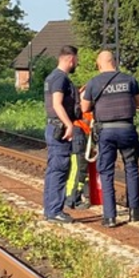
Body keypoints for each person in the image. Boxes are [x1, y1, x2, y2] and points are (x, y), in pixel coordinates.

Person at [82, 50, 139, 227]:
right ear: (115, 62)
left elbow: (85, 107)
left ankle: (110, 216)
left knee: (106, 172)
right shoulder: (129, 80)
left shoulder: (94, 82)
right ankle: (135, 210)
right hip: (127, 129)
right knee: (131, 167)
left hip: (106, 132)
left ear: (99, 64)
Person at [43, 46, 79, 223]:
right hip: (59, 129)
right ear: (70, 59)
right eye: (76, 60)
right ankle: (54, 211)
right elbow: (57, 104)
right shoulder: (60, 78)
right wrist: (69, 125)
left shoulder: (52, 77)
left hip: (53, 128)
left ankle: (51, 209)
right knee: (59, 169)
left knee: (54, 170)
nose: (76, 63)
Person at [64, 102, 93, 210]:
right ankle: (71, 199)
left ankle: (73, 198)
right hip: (79, 133)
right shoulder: (88, 101)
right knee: (77, 169)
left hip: (79, 133)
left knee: (77, 169)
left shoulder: (83, 96)